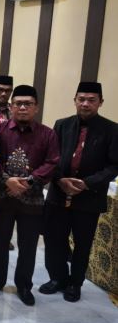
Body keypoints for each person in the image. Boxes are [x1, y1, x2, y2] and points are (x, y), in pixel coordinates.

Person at [41, 82, 118, 302]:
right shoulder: (62, 125)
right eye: (81, 99)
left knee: (82, 244)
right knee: (53, 239)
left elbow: (114, 165)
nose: (85, 104)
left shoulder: (112, 129)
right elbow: (51, 157)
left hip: (89, 197)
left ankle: (75, 284)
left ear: (100, 103)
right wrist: (60, 180)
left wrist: (86, 183)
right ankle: (57, 278)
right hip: (58, 193)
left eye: (91, 100)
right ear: (75, 100)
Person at [0, 85, 59, 306]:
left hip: (31, 200)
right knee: (0, 242)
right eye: (18, 104)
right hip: (3, 196)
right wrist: (7, 179)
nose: (23, 108)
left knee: (28, 245)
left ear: (36, 107)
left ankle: (24, 285)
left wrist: (29, 181)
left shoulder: (47, 134)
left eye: (28, 104)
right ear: (11, 106)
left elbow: (52, 162)